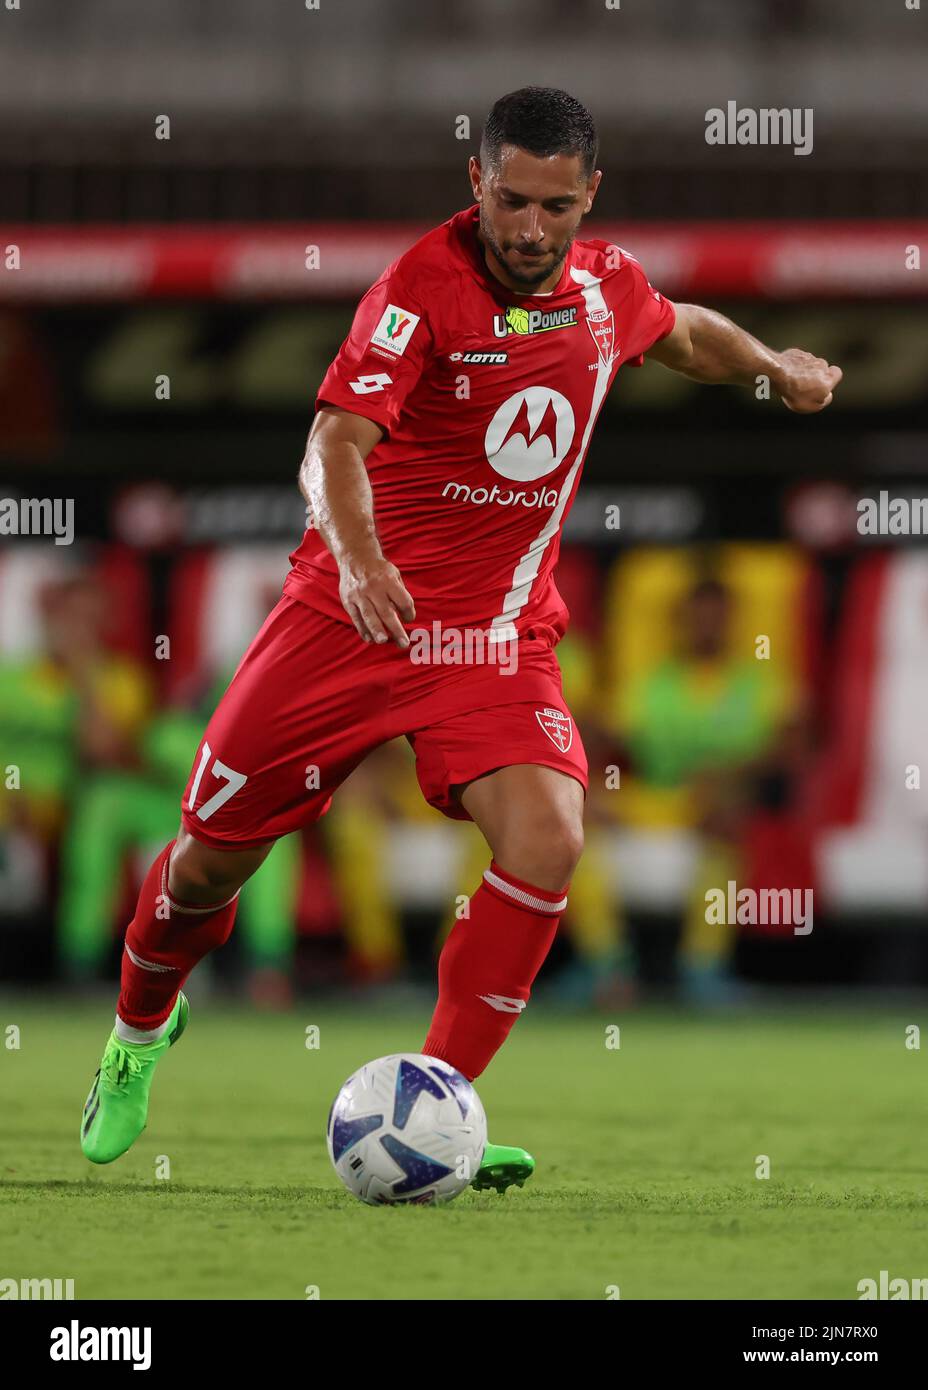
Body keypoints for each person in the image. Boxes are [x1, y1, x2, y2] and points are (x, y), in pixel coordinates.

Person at [80, 86, 842, 1193]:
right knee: (206, 865)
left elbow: (681, 333)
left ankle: (436, 1107)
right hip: (346, 620)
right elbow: (333, 442)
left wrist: (774, 364)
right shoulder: (416, 293)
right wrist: (359, 559)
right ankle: (138, 1031)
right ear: (475, 182)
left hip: (491, 636)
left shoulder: (604, 285)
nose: (530, 230)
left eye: (555, 207)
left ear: (590, 195)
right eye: (511, 201)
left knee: (546, 838)